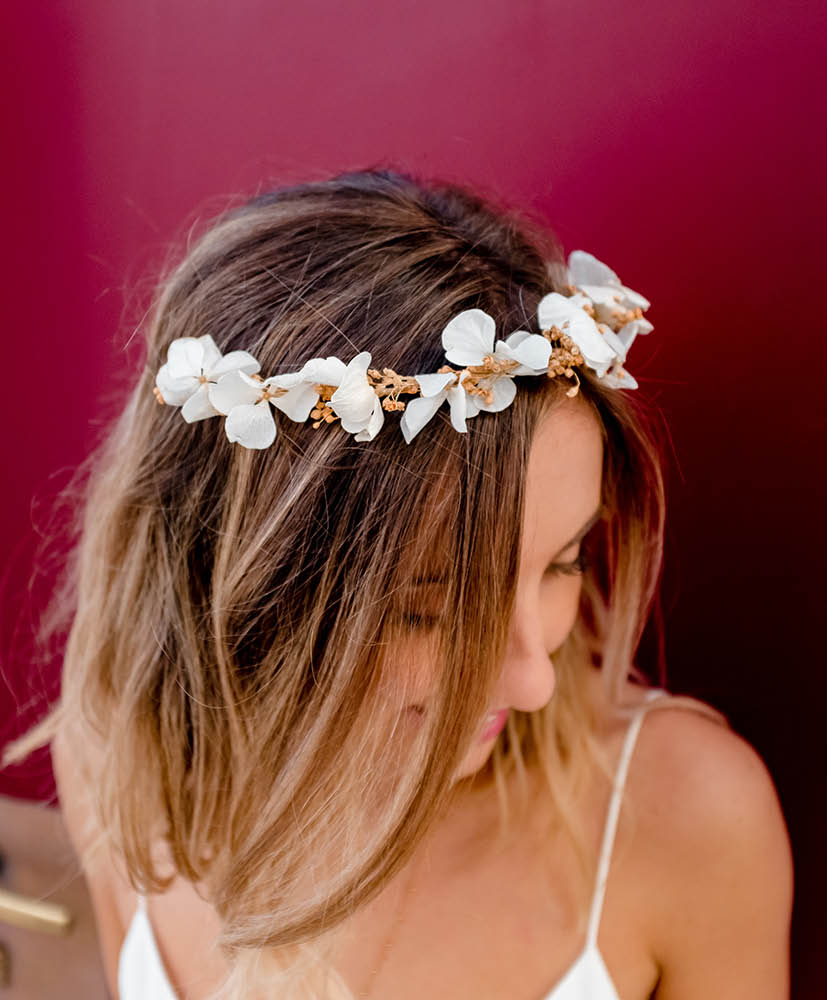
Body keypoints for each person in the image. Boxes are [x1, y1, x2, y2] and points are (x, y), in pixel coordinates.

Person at [4, 168, 793, 999]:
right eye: (428, 612)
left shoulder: (685, 820)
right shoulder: (116, 761)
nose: (530, 680)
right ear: (237, 578)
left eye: (563, 563)